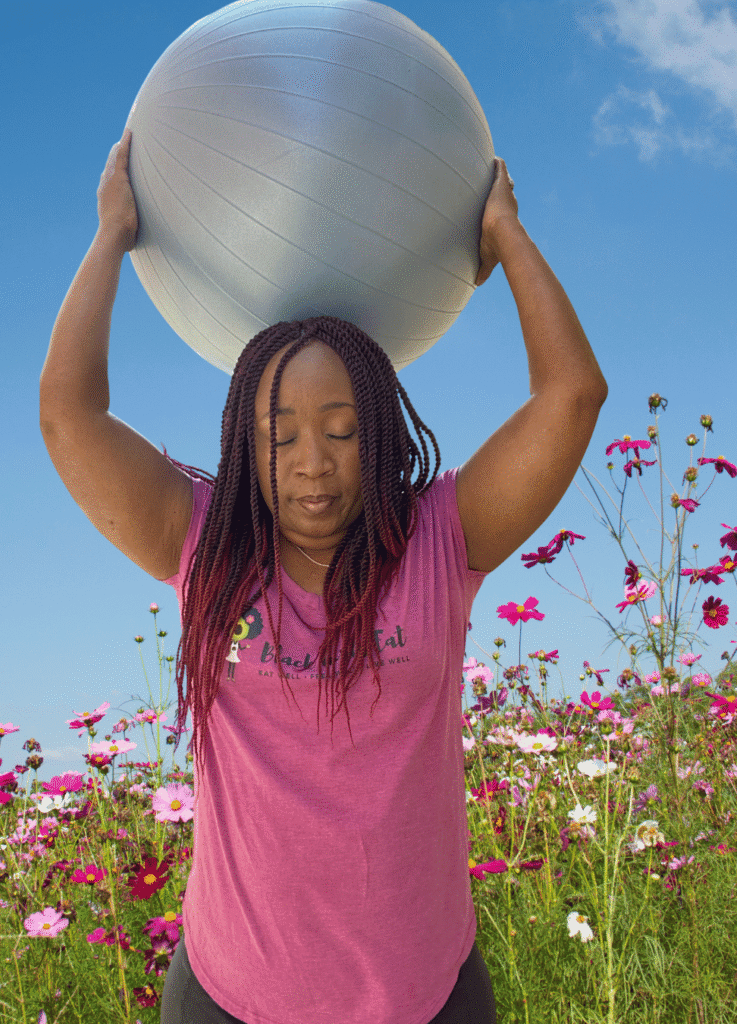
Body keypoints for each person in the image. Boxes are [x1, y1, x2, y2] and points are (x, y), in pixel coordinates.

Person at [40, 128, 607, 1024]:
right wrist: (112, 233)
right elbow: (69, 413)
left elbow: (571, 394)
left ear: (377, 436)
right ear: (243, 447)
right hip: (230, 995)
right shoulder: (202, 545)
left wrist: (506, 237)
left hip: (429, 993)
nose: (313, 463)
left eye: (342, 431)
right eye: (281, 436)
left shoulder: (439, 538)